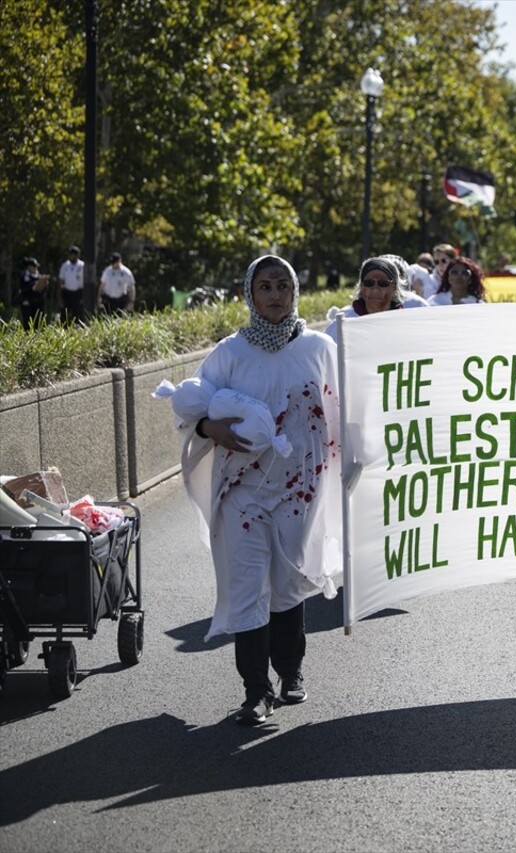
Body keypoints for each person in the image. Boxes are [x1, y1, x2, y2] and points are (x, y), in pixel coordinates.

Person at [180, 254, 342, 725]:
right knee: (248, 585)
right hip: (242, 491)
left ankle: (290, 671)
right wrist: (211, 428)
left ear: (295, 293)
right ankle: (255, 690)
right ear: (250, 294)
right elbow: (191, 407)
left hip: (300, 488)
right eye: (265, 286)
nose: (274, 295)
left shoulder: (318, 348)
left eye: (282, 286)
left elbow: (342, 405)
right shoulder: (229, 353)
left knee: (288, 582)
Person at [324, 255, 428, 337]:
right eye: (369, 283)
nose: (375, 289)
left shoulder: (408, 325)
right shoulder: (341, 326)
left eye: (383, 283)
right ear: (361, 287)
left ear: (395, 288)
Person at [59, 246, 86, 324]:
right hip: (67, 293)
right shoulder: (65, 265)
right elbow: (60, 280)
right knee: (65, 315)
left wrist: (84, 295)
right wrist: (59, 296)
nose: (71, 256)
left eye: (73, 254)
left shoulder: (82, 265)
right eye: (70, 254)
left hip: (78, 293)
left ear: (77, 255)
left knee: (77, 314)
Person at [19, 257, 47, 329]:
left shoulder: (38, 275)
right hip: (28, 303)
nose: (35, 268)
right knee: (28, 323)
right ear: (29, 267)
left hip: (38, 302)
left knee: (38, 322)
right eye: (34, 266)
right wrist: (32, 287)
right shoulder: (24, 276)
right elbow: (24, 289)